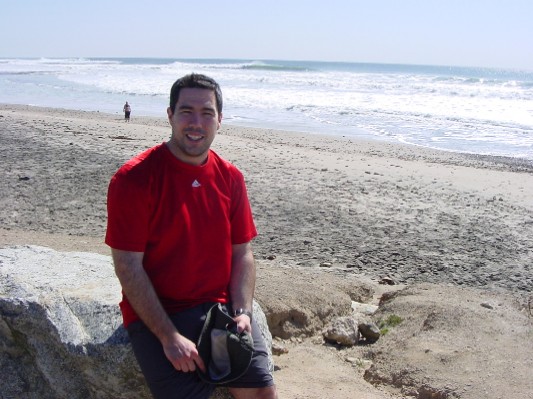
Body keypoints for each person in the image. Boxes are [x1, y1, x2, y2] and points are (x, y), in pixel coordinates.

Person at [106, 73, 277, 399]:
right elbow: (128, 266)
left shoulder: (230, 177)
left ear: (220, 120)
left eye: (207, 113)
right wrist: (169, 337)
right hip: (160, 313)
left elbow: (242, 253)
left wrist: (243, 312)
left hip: (221, 309)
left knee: (262, 394)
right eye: (186, 111)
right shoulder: (134, 179)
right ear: (170, 115)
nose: (196, 123)